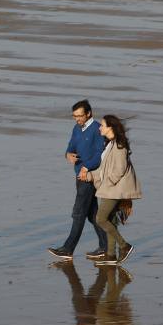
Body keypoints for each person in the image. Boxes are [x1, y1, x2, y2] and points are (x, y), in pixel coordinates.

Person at [49, 99, 108, 259]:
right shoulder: (77, 128)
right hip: (79, 175)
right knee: (92, 214)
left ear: (89, 114)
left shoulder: (97, 129)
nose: (77, 119)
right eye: (74, 116)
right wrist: (68, 154)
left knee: (78, 212)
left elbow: (100, 155)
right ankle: (106, 246)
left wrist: (86, 167)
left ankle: (68, 249)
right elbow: (70, 147)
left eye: (80, 116)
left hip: (89, 177)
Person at [88, 115, 142, 265]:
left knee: (100, 218)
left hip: (114, 189)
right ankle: (111, 255)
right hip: (109, 188)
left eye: (103, 125)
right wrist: (90, 175)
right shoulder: (110, 144)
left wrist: (108, 183)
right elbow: (104, 169)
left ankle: (124, 246)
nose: (100, 127)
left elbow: (119, 170)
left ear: (110, 128)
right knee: (110, 219)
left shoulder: (119, 146)